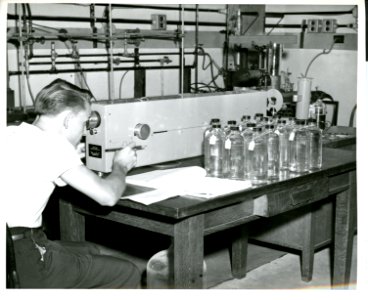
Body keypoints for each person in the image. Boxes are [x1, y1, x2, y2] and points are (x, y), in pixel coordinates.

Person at [4, 78, 141, 288]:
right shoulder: (54, 146)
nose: (85, 131)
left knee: (90, 250)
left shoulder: (11, 132)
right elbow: (108, 197)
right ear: (68, 119)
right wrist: (120, 166)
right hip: (21, 256)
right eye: (84, 123)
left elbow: (34, 172)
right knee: (126, 272)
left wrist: (71, 158)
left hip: (13, 242)